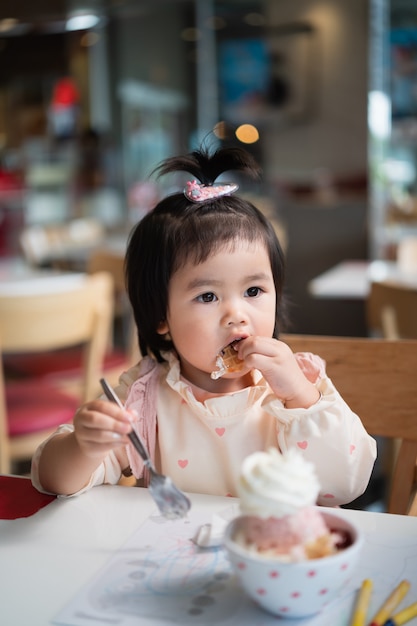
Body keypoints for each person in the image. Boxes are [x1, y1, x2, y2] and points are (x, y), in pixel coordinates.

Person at [31, 145, 376, 505]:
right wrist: (83, 446)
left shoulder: (297, 386)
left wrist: (301, 398)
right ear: (161, 316)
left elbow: (346, 485)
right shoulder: (145, 399)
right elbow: (55, 480)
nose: (236, 314)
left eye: (254, 290)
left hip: (274, 550)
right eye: (208, 297)